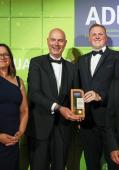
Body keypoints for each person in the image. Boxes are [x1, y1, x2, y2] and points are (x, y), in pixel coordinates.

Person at [26, 28, 82, 170]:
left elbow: (75, 94)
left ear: (65, 43)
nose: (56, 44)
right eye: (53, 40)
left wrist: (79, 112)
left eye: (60, 40)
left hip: (63, 127)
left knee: (60, 166)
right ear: (48, 41)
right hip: (40, 126)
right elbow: (34, 93)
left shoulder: (72, 68)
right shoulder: (36, 63)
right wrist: (58, 108)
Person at [76, 23, 119, 170]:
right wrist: (78, 112)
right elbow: (77, 88)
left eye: (100, 34)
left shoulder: (118, 56)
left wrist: (100, 96)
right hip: (87, 123)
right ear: (89, 38)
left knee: (115, 164)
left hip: (109, 121)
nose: (97, 36)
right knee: (91, 164)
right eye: (94, 34)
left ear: (106, 37)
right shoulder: (82, 60)